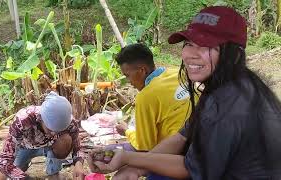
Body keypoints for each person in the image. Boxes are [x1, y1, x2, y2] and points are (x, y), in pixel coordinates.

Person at [88, 6, 281, 180]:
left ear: (234, 54)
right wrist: (136, 167)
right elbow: (182, 136)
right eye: (188, 43)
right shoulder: (228, 83)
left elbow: (192, 169)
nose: (190, 54)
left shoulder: (229, 103)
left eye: (206, 46)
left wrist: (130, 158)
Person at [110, 43, 191, 152]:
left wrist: (126, 131)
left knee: (112, 152)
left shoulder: (145, 97)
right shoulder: (179, 72)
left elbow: (145, 147)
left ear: (142, 70)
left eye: (128, 76)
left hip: (180, 152)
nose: (129, 82)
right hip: (204, 138)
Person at [0, 91, 86, 180]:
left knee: (65, 139)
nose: (54, 133)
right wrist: (23, 177)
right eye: (50, 129)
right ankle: (23, 164)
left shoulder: (69, 121)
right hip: (23, 148)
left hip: (50, 146)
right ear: (41, 119)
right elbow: (5, 161)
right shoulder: (23, 120)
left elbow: (77, 146)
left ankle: (53, 172)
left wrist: (78, 164)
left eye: (58, 130)